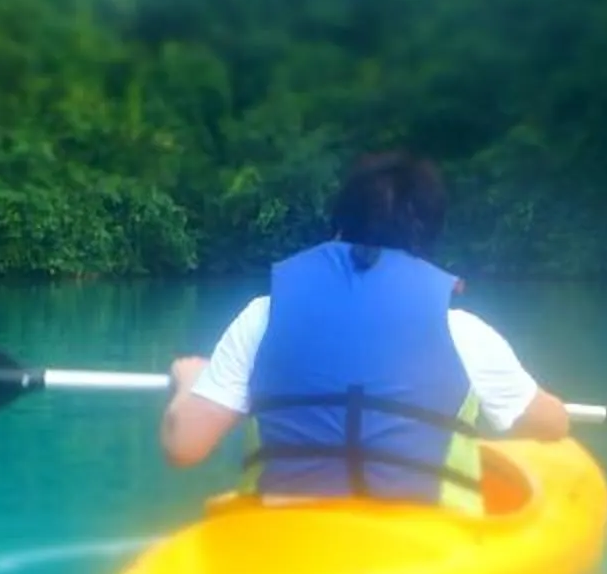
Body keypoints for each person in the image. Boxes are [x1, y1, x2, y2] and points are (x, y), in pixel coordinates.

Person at [157, 152, 571, 512]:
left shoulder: (263, 316)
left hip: (282, 540)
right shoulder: (463, 332)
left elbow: (185, 447)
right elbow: (552, 426)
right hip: (423, 550)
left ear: (338, 227)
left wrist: (190, 383)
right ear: (428, 240)